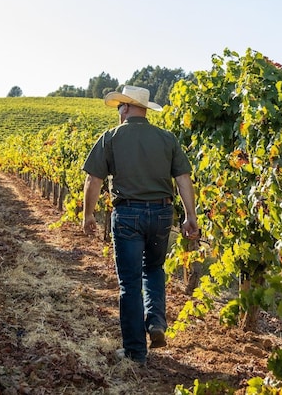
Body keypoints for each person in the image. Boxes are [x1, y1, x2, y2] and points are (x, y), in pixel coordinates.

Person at [82, 85, 199, 365]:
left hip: (127, 215)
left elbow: (94, 180)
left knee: (130, 284)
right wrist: (190, 216)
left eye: (120, 106)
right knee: (154, 269)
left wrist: (88, 215)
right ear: (145, 110)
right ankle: (156, 320)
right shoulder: (166, 138)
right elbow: (183, 178)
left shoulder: (110, 137)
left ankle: (136, 351)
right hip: (162, 214)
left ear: (125, 108)